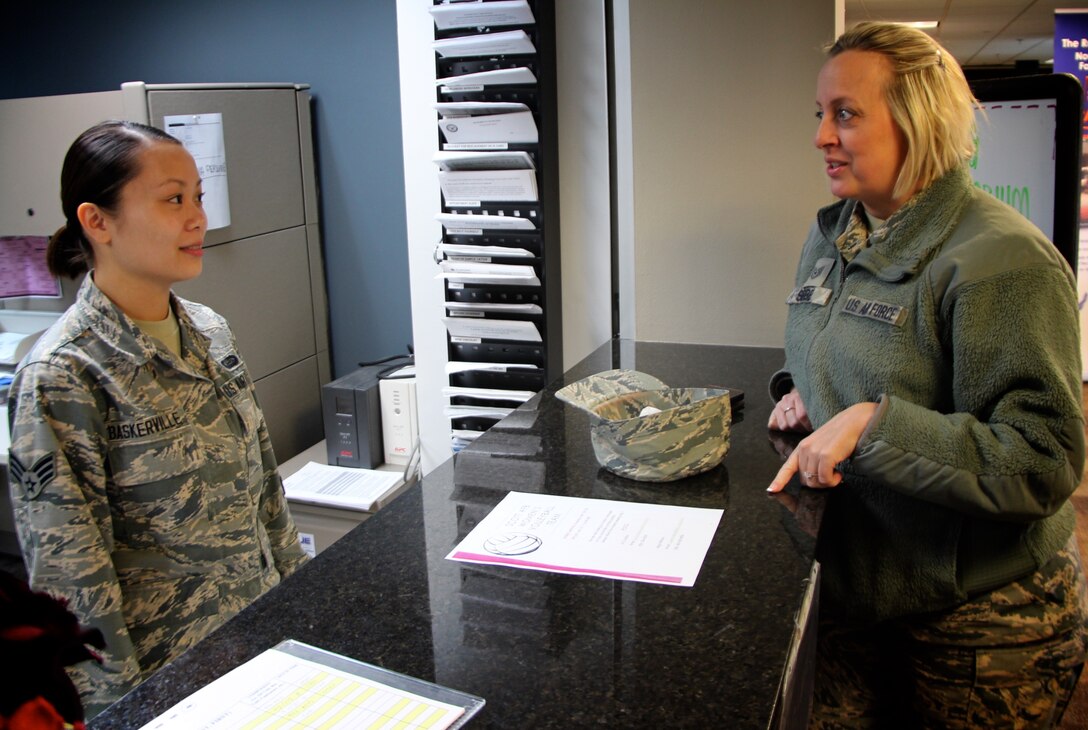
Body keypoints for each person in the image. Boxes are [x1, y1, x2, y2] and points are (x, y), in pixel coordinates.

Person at [766, 22, 1088, 728]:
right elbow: (830, 348)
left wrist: (874, 426)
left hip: (981, 622)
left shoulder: (1002, 260)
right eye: (819, 114)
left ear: (916, 120)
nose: (822, 135)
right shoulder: (834, 235)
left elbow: (1043, 458)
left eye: (845, 113)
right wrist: (803, 395)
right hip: (858, 587)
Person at [7, 120, 309, 718]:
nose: (197, 217)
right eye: (173, 199)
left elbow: (265, 492)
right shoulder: (65, 374)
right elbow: (74, 587)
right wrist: (122, 713)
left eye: (197, 196)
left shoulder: (209, 331)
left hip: (264, 656)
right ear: (97, 221)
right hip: (172, 686)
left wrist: (301, 608)